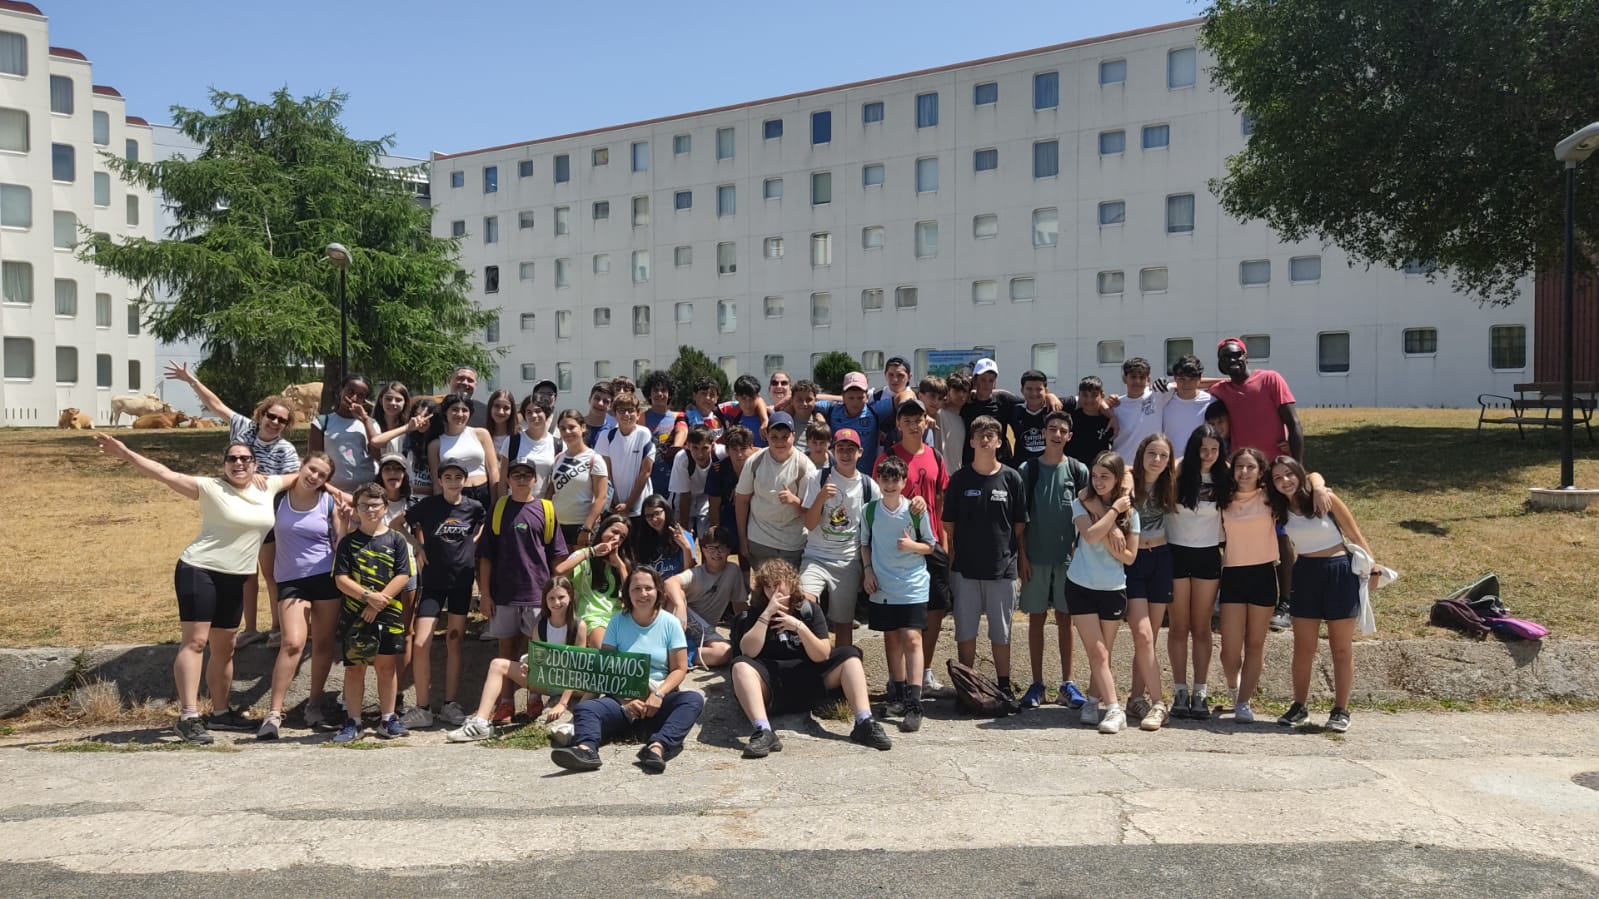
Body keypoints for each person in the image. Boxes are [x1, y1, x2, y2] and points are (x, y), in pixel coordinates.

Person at [92, 434, 299, 744]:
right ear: (224, 464)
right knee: (196, 642)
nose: (238, 463)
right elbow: (163, 473)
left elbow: (309, 473)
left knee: (225, 647)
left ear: (256, 464)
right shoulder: (209, 487)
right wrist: (125, 454)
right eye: (232, 459)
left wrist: (337, 492)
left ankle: (219, 713)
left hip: (237, 577)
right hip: (199, 570)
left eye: (245, 458)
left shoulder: (267, 486)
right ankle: (188, 716)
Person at [163, 361, 301, 648]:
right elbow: (215, 405)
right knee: (244, 575)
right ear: (261, 414)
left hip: (265, 518)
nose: (275, 422)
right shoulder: (244, 428)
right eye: (271, 416)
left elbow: (295, 477)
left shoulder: (285, 449)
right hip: (233, 514)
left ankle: (276, 627)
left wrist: (266, 476)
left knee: (270, 573)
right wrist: (191, 380)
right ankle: (250, 628)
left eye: (282, 420)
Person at [729, 559, 893, 758]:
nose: (773, 591)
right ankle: (763, 731)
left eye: (777, 584)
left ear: (790, 583)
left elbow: (822, 654)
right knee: (740, 666)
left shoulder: (808, 610)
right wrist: (766, 615)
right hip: (773, 684)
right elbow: (748, 651)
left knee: (849, 655)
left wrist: (798, 627)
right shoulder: (757, 612)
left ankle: (864, 722)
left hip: (809, 679)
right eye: (768, 586)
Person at [550, 568, 704, 774]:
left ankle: (657, 747)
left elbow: (679, 668)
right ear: (627, 593)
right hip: (623, 702)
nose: (643, 594)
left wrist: (659, 694)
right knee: (586, 709)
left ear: (658, 591)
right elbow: (606, 667)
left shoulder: (670, 623)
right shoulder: (616, 622)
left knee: (693, 700)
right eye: (636, 589)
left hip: (657, 698)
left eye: (648, 588)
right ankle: (586, 750)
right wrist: (626, 701)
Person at [1270, 457, 1374, 733]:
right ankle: (1299, 706)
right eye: (1277, 478)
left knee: (1341, 647)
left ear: (1298, 474)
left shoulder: (1324, 498)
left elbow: (1354, 532)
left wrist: (1372, 567)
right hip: (1305, 573)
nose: (1284, 481)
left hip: (1339, 571)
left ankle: (1341, 709)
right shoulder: (1278, 509)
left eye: (1288, 474)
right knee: (1303, 648)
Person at [1212, 336, 1304, 632]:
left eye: (1236, 355)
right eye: (1226, 358)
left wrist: (1296, 469)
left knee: (1280, 537)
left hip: (1274, 475)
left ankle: (1287, 602)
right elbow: (1194, 385)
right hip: (1241, 476)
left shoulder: (1271, 379)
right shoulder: (1221, 390)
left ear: (1246, 355)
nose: (1232, 361)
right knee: (1231, 533)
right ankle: (1227, 596)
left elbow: (1295, 423)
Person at [259, 451, 344, 740]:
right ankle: (273, 713)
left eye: (322, 475)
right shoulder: (278, 499)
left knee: (322, 644)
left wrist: (344, 522)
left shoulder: (328, 500)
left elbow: (340, 543)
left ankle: (314, 705)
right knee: (293, 642)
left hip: (326, 578)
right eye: (312, 469)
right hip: (291, 581)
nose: (315, 477)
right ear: (301, 466)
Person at [477, 459, 569, 723]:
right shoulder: (498, 509)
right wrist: (485, 593)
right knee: (505, 650)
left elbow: (556, 558)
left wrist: (557, 594)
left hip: (538, 594)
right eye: (515, 474)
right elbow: (485, 557)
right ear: (507, 479)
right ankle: (505, 703)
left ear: (535, 480)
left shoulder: (546, 510)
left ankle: (534, 700)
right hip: (504, 593)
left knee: (536, 652)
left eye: (526, 475)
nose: (521, 479)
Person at [942, 415, 1028, 695]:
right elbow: (949, 525)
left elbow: (1018, 527)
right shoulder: (959, 479)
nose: (984, 439)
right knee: (966, 632)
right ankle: (967, 687)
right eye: (979, 434)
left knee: (1001, 632)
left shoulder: (1012, 478)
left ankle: (1003, 686)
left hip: (1002, 569)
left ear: (999, 441)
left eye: (991, 434)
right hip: (965, 569)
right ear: (971, 441)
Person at [398, 459, 486, 729]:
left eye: (458, 476)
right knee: (422, 642)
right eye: (448, 476)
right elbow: (396, 522)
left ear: (464, 480)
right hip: (433, 582)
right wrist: (417, 546)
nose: (453, 481)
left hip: (461, 581)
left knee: (455, 640)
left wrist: (471, 544)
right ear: (440, 480)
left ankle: (450, 704)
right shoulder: (429, 505)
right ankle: (423, 707)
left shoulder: (474, 507)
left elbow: (481, 525)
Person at [446, 576, 586, 742]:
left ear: (570, 596)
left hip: (571, 683)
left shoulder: (579, 626)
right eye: (552, 598)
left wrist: (562, 703)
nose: (557, 603)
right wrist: (529, 667)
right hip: (547, 681)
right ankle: (480, 722)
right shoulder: (540, 627)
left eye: (561, 597)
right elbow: (537, 661)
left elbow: (577, 667)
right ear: (545, 600)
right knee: (497, 664)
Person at [1016, 411, 1091, 711]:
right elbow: (1019, 519)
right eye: (1052, 429)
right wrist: (1022, 555)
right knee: (1036, 618)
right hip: (1034, 557)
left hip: (1067, 559)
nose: (1057, 434)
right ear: (1044, 433)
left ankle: (1067, 683)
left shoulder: (1078, 470)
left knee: (1065, 618)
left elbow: (1088, 514)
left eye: (1062, 430)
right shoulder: (1027, 469)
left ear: (1069, 436)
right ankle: (1037, 684)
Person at [876, 397, 951, 693]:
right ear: (897, 423)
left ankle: (924, 672)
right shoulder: (887, 458)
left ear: (925, 421)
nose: (911, 423)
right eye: (905, 419)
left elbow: (941, 500)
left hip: (930, 542)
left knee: (934, 609)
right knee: (896, 615)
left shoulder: (935, 456)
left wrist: (945, 540)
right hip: (896, 545)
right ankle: (899, 678)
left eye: (916, 418)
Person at [331, 482, 416, 743]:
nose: (370, 509)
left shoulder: (396, 539)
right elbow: (340, 578)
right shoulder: (348, 542)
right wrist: (367, 598)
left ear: (384, 507)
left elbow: (404, 574)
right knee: (355, 667)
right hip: (355, 615)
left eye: (375, 504)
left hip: (388, 614)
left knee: (386, 667)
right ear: (356, 509)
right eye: (364, 505)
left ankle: (388, 718)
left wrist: (380, 601)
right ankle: (353, 721)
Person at [860, 455, 938, 733]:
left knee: (912, 638)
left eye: (896, 479)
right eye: (885, 479)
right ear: (878, 480)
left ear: (905, 482)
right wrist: (868, 571)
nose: (890, 484)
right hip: (882, 585)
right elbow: (865, 544)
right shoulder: (869, 510)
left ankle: (915, 703)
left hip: (913, 584)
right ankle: (898, 694)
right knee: (892, 639)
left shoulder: (916, 510)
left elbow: (930, 545)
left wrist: (911, 545)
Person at [1066, 451, 1140, 734]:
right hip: (1080, 585)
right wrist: (1111, 515)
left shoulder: (1132, 513)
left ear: (1117, 479)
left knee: (1103, 655)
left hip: (1112, 589)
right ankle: (1114, 709)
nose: (1098, 482)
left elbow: (1130, 557)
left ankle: (1093, 699)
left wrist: (1111, 527)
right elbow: (1091, 535)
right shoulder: (1080, 502)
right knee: (1097, 652)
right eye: (1095, 476)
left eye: (1105, 477)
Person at [1166, 424, 1228, 720]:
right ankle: (1179, 691)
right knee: (1178, 626)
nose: (1208, 455)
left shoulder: (1224, 475)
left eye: (1214, 449)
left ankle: (1200, 692)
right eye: (1203, 449)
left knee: (1202, 627)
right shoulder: (1178, 471)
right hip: (1175, 553)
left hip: (1207, 555)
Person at [1217, 447, 1278, 724]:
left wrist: (1319, 484)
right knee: (1229, 650)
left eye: (1250, 467)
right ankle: (1234, 686)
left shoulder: (1271, 498)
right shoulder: (1223, 500)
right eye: (1239, 467)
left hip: (1264, 575)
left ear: (1261, 471)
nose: (1244, 472)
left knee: (1255, 645)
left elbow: (1307, 476)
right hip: (1233, 576)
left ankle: (1243, 702)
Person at [799, 427, 875, 648]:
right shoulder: (819, 477)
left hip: (848, 561)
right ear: (833, 451)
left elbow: (885, 513)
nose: (845, 454)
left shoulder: (868, 486)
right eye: (840, 448)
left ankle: (842, 661)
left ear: (859, 452)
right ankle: (813, 656)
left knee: (843, 623)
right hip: (816, 556)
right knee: (804, 606)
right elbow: (809, 523)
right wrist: (821, 497)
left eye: (850, 449)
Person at [1124, 433, 1177, 731]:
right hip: (1134, 561)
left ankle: (1135, 698)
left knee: (1150, 638)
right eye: (1151, 454)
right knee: (1142, 634)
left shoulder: (1171, 483)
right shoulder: (1127, 481)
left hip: (1162, 558)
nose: (1157, 460)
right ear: (1141, 454)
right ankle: (1159, 703)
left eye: (1163, 456)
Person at [735, 412, 816, 570]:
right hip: (759, 541)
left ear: (793, 436)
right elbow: (742, 500)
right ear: (766, 436)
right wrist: (743, 539)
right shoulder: (754, 461)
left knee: (788, 592)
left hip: (792, 544)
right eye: (774, 437)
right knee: (764, 591)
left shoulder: (805, 467)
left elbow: (810, 513)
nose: (780, 442)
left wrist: (795, 501)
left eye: (785, 436)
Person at [662, 527, 745, 668]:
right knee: (677, 594)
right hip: (682, 621)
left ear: (729, 551)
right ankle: (672, 651)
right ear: (703, 550)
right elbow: (670, 582)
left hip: (705, 630)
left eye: (722, 548)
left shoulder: (733, 571)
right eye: (711, 548)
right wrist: (680, 606)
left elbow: (739, 605)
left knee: (724, 652)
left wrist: (744, 631)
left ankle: (679, 655)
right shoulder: (696, 574)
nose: (717, 553)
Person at [553, 514, 632, 650]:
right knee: (603, 647)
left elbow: (630, 595)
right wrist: (592, 552)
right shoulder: (584, 555)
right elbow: (559, 571)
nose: (617, 538)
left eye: (622, 537)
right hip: (592, 616)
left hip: (619, 617)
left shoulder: (622, 562)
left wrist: (620, 566)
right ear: (603, 529)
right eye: (614, 532)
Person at [549, 408, 611, 549]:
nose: (567, 432)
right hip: (557, 526)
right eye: (563, 429)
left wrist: (587, 528)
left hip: (581, 526)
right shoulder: (559, 458)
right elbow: (552, 492)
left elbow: (601, 497)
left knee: (580, 571)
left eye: (572, 427)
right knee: (559, 570)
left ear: (583, 428)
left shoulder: (595, 459)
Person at [310, 373, 379, 494]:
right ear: (341, 391)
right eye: (350, 391)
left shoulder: (371, 424)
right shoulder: (322, 422)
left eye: (360, 396)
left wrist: (365, 420)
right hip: (333, 490)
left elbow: (378, 454)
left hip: (367, 491)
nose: (353, 398)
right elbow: (314, 458)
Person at [428, 393, 498, 511]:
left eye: (464, 410)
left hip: (484, 492)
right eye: (454, 409)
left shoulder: (481, 434)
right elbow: (437, 483)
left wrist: (495, 501)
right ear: (446, 412)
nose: (460, 414)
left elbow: (493, 470)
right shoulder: (435, 445)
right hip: (455, 497)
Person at [595, 391, 656, 523]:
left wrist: (629, 504)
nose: (626, 414)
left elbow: (645, 472)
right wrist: (613, 500)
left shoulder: (644, 434)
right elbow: (606, 472)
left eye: (630, 410)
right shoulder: (606, 436)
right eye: (621, 410)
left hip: (639, 506)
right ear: (615, 414)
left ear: (638, 413)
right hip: (613, 506)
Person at [816, 372, 892, 475]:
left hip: (866, 478)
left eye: (860, 398)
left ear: (866, 396)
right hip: (837, 477)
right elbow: (809, 402)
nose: (855, 402)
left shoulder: (875, 410)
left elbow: (902, 398)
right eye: (851, 398)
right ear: (843, 396)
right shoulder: (832, 409)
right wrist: (819, 418)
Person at [704, 424, 755, 557]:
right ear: (727, 450)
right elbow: (714, 506)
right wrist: (716, 536)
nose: (739, 454)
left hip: (755, 513)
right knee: (722, 541)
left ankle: (745, 576)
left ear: (751, 448)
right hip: (728, 514)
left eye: (743, 449)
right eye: (734, 449)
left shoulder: (759, 466)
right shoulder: (718, 470)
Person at [668, 424, 723, 539]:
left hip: (707, 496)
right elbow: (684, 495)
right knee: (680, 535)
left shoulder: (721, 453)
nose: (700, 454)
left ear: (712, 445)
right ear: (688, 445)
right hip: (683, 495)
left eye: (704, 448)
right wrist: (684, 530)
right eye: (695, 448)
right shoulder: (682, 459)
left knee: (707, 536)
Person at [642, 371, 688, 497]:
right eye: (655, 390)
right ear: (649, 394)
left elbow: (682, 432)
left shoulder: (678, 416)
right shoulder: (641, 418)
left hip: (673, 480)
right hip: (648, 481)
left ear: (670, 393)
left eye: (664, 390)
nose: (659, 394)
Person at [631, 494, 697, 578]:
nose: (654, 519)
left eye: (657, 513)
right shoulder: (643, 539)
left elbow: (689, 572)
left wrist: (686, 547)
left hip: (677, 586)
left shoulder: (682, 535)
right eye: (648, 516)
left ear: (666, 511)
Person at [502, 394, 557, 491]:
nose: (534, 415)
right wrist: (500, 504)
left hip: (544, 504)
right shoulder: (512, 442)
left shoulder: (557, 445)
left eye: (538, 411)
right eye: (529, 412)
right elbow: (502, 480)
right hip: (514, 503)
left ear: (546, 413)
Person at [1162, 355, 1214, 450]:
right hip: (1171, 462)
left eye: (1192, 379)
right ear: (1175, 378)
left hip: (1201, 462)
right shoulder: (1164, 401)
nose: (1187, 383)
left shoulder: (1211, 402)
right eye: (1182, 379)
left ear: (1200, 379)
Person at [1063, 375, 1115, 468]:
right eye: (1085, 395)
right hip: (1072, 471)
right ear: (1079, 395)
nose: (1089, 399)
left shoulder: (1109, 421)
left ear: (1102, 395)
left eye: (1094, 395)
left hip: (1097, 473)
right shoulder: (1069, 418)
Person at [1011, 369, 1053, 470]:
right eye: (1029, 389)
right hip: (1022, 471)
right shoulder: (1014, 410)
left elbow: (1080, 399)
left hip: (1049, 470)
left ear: (1046, 391)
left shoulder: (1055, 408)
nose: (1034, 393)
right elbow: (996, 394)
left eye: (1039, 389)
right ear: (1022, 390)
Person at [719, 374, 772, 447]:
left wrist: (765, 420)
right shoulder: (731, 416)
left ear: (758, 396)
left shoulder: (770, 417)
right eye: (743, 398)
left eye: (751, 398)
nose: (748, 404)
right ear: (736, 397)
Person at [936, 371, 969, 475]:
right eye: (956, 390)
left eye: (965, 391)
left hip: (956, 475)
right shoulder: (937, 413)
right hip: (938, 473)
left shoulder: (964, 420)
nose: (961, 395)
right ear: (948, 390)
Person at [485, 389, 519, 462]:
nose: (501, 412)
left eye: (506, 408)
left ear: (512, 411)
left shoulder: (519, 437)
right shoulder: (482, 436)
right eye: (497, 406)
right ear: (490, 407)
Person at [582, 380, 617, 448]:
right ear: (589, 399)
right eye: (597, 398)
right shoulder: (576, 426)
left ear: (610, 406)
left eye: (605, 401)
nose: (600, 403)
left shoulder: (611, 433)